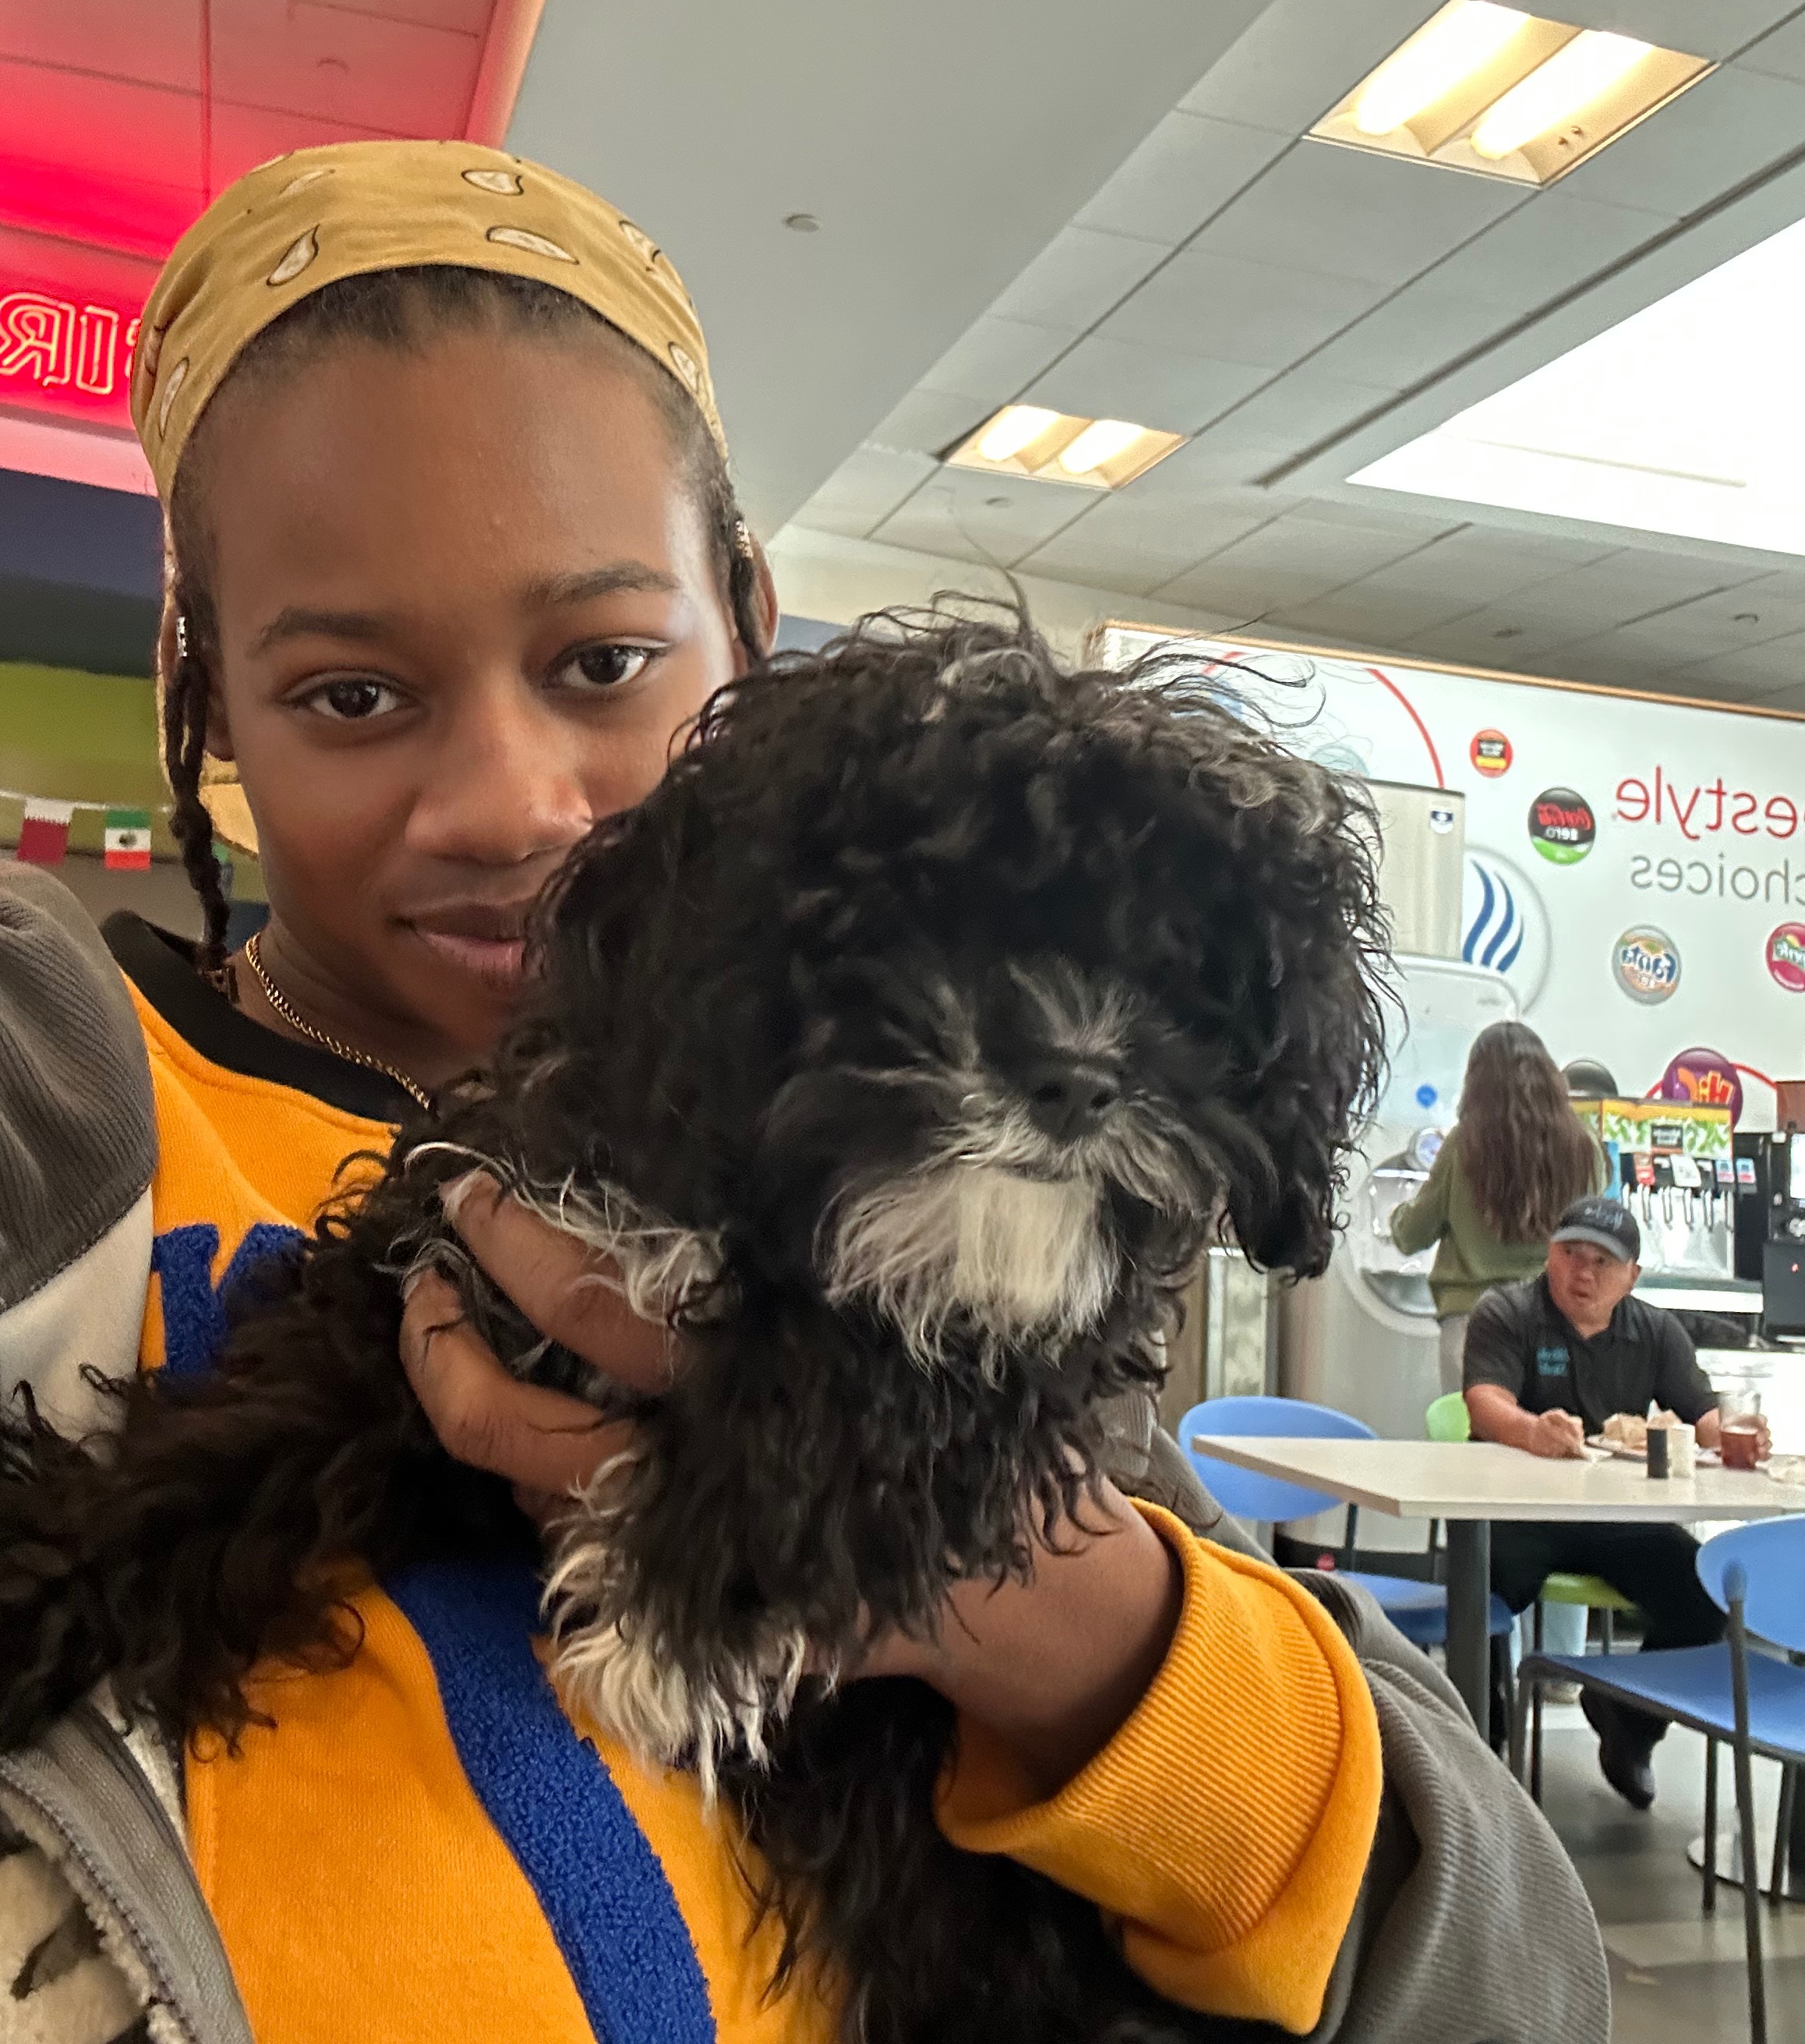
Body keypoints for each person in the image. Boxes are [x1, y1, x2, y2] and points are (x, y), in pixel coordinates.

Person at [0, 141, 1609, 2044]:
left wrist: (1058, 1617)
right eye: (354, 693)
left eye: (604, 660)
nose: (509, 803)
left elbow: (1512, 1982)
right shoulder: (58, 1089)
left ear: (746, 624)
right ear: (203, 693)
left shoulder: (933, 1185)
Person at [1464, 1194, 1769, 1812]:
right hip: (1519, 1507)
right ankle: (1479, 1749)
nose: (1583, 1272)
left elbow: (1703, 1414)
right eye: (1570, 1254)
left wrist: (1737, 1435)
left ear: (1632, 1275)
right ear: (1549, 1255)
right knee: (1482, 1587)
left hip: (1617, 1515)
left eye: (1602, 1261)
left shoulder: (1654, 1331)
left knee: (1701, 1595)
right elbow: (1484, 1401)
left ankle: (1629, 1724)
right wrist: (1531, 1431)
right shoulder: (1508, 1312)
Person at [1391, 1021, 1603, 1397]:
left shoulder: (1463, 1144)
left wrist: (1398, 1216)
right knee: (1551, 1432)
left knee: (1473, 1434)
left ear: (1476, 1083)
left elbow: (1411, 1235)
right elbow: (1597, 1237)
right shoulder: (1585, 1147)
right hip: (1556, 1326)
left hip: (1473, 1326)